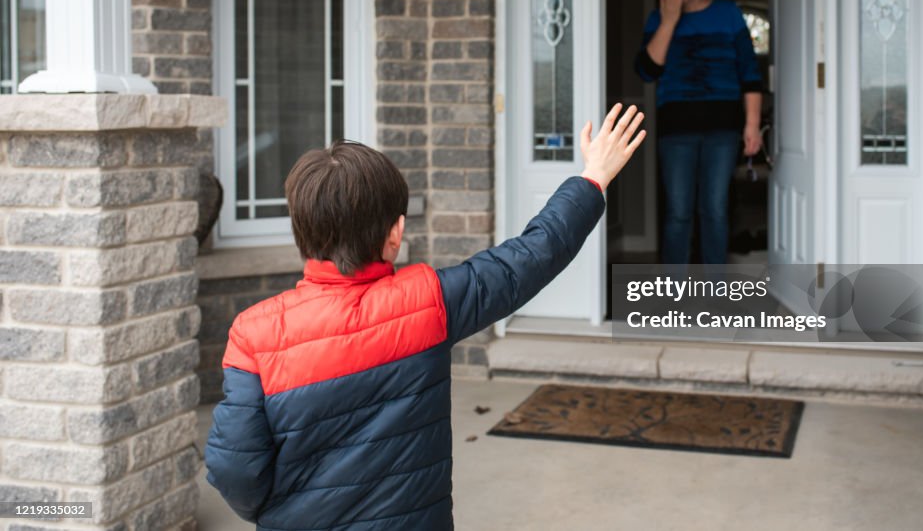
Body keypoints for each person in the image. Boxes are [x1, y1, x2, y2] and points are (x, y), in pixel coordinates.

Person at [205, 104, 646, 530]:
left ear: (301, 231)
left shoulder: (253, 335)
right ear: (395, 234)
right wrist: (593, 177)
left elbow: (234, 469)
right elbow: (531, 256)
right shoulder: (428, 302)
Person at [635, 0, 763, 265]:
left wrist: (751, 125)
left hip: (722, 129)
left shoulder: (729, 14)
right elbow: (647, 71)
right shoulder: (658, 18)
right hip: (676, 129)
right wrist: (669, 21)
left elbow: (750, 73)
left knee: (715, 210)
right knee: (678, 211)